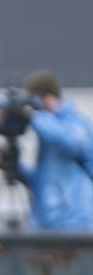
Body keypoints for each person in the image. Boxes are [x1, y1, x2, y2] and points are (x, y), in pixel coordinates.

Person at [11, 70, 93, 231]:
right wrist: (14, 166)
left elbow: (72, 142)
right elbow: (43, 182)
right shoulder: (47, 129)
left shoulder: (75, 123)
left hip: (75, 224)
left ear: (45, 98)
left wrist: (33, 116)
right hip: (45, 227)